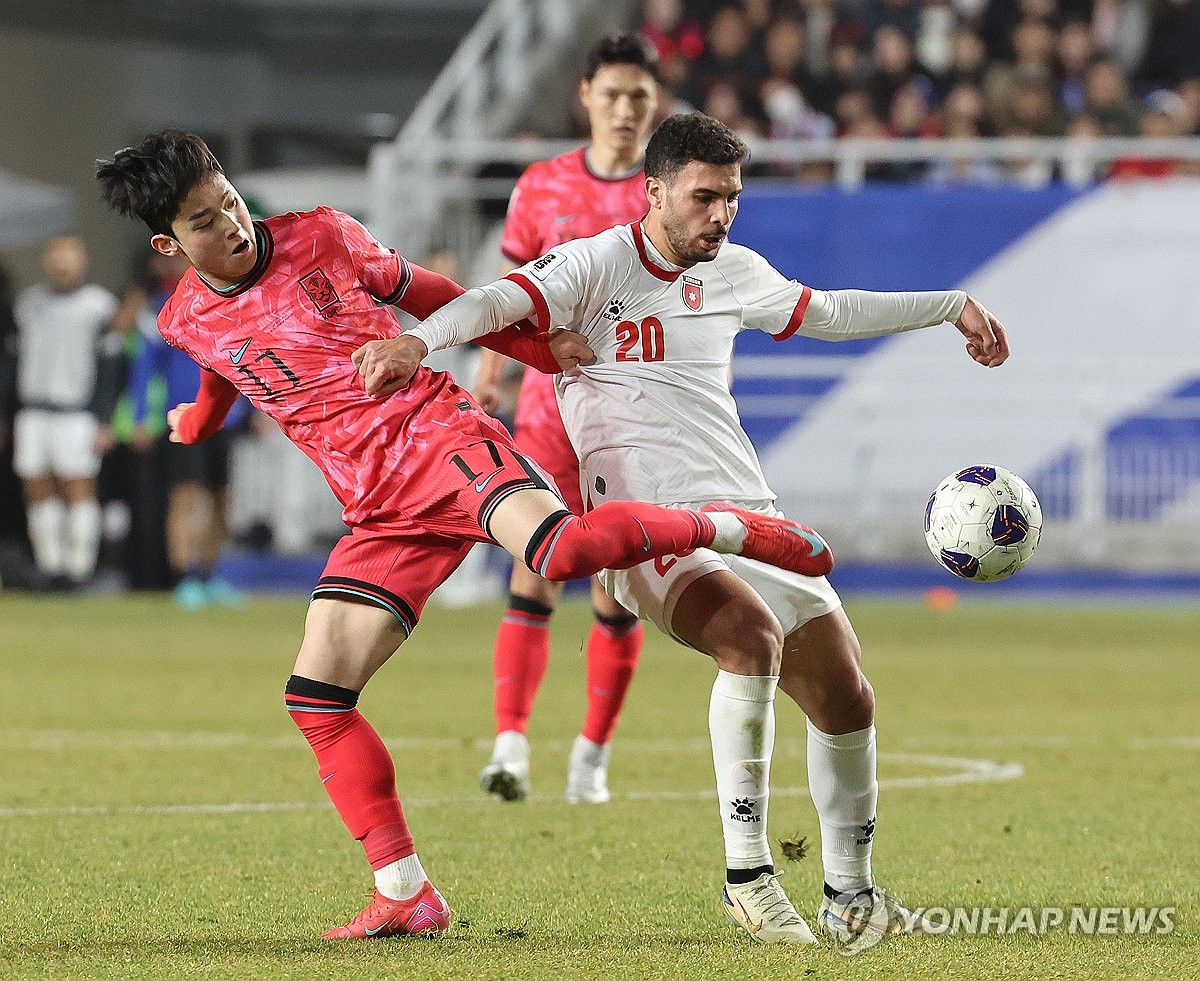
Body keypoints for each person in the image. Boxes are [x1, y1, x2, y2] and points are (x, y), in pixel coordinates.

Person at [95, 128, 832, 941]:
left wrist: (536, 349)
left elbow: (434, 294)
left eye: (231, 201)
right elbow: (220, 370)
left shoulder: (321, 235)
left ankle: (733, 528)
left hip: (440, 441)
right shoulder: (183, 318)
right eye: (205, 221)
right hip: (377, 507)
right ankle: (405, 892)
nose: (233, 224)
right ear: (169, 244)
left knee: (560, 552)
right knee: (316, 697)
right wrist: (197, 422)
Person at [372, 113, 1010, 948]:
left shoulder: (736, 271)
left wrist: (951, 306)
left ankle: (851, 894)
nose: (721, 215)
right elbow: (496, 300)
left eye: (732, 198)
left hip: (750, 516)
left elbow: (832, 311)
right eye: (705, 197)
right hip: (648, 528)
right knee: (749, 638)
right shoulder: (596, 264)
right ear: (655, 191)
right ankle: (747, 877)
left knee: (848, 695)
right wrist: (419, 343)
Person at [472, 33, 661, 805]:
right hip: (548, 409)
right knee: (536, 570)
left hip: (632, 415)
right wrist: (492, 370)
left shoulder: (668, 191)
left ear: (655, 103)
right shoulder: (541, 185)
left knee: (617, 588)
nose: (624, 109)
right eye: (612, 94)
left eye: (638, 97)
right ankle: (510, 746)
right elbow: (510, 285)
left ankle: (592, 755)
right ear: (585, 96)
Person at [123, 250, 248, 608]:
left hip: (224, 417)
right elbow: (144, 367)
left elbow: (243, 359)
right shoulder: (161, 309)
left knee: (221, 499)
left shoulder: (227, 304)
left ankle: (208, 576)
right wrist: (139, 417)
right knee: (185, 497)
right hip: (183, 416)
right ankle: (183, 578)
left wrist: (252, 409)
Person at [12, 236, 118, 587]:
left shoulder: (99, 306)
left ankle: (80, 569)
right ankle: (50, 566)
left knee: (79, 487)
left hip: (76, 411)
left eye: (69, 256)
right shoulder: (28, 305)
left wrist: (104, 418)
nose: (62, 264)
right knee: (36, 487)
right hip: (33, 410)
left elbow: (110, 366)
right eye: (56, 256)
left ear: (82, 261)